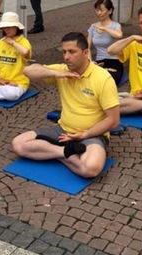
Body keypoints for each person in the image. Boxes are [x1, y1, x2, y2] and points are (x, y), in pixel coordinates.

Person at [12, 31, 120, 178]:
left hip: (92, 134)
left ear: (85, 53)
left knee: (91, 168)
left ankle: (50, 151)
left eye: (72, 52)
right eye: (64, 52)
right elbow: (28, 71)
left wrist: (85, 134)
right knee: (18, 144)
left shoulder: (103, 78)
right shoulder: (63, 70)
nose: (66, 57)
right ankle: (64, 152)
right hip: (63, 130)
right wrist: (57, 74)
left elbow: (113, 120)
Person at [87, 0, 124, 85]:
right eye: (97, 10)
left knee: (111, 81)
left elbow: (119, 35)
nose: (99, 13)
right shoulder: (93, 27)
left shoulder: (115, 26)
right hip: (99, 61)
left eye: (101, 10)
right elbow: (87, 48)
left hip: (114, 61)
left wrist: (105, 28)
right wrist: (90, 63)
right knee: (91, 81)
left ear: (110, 11)